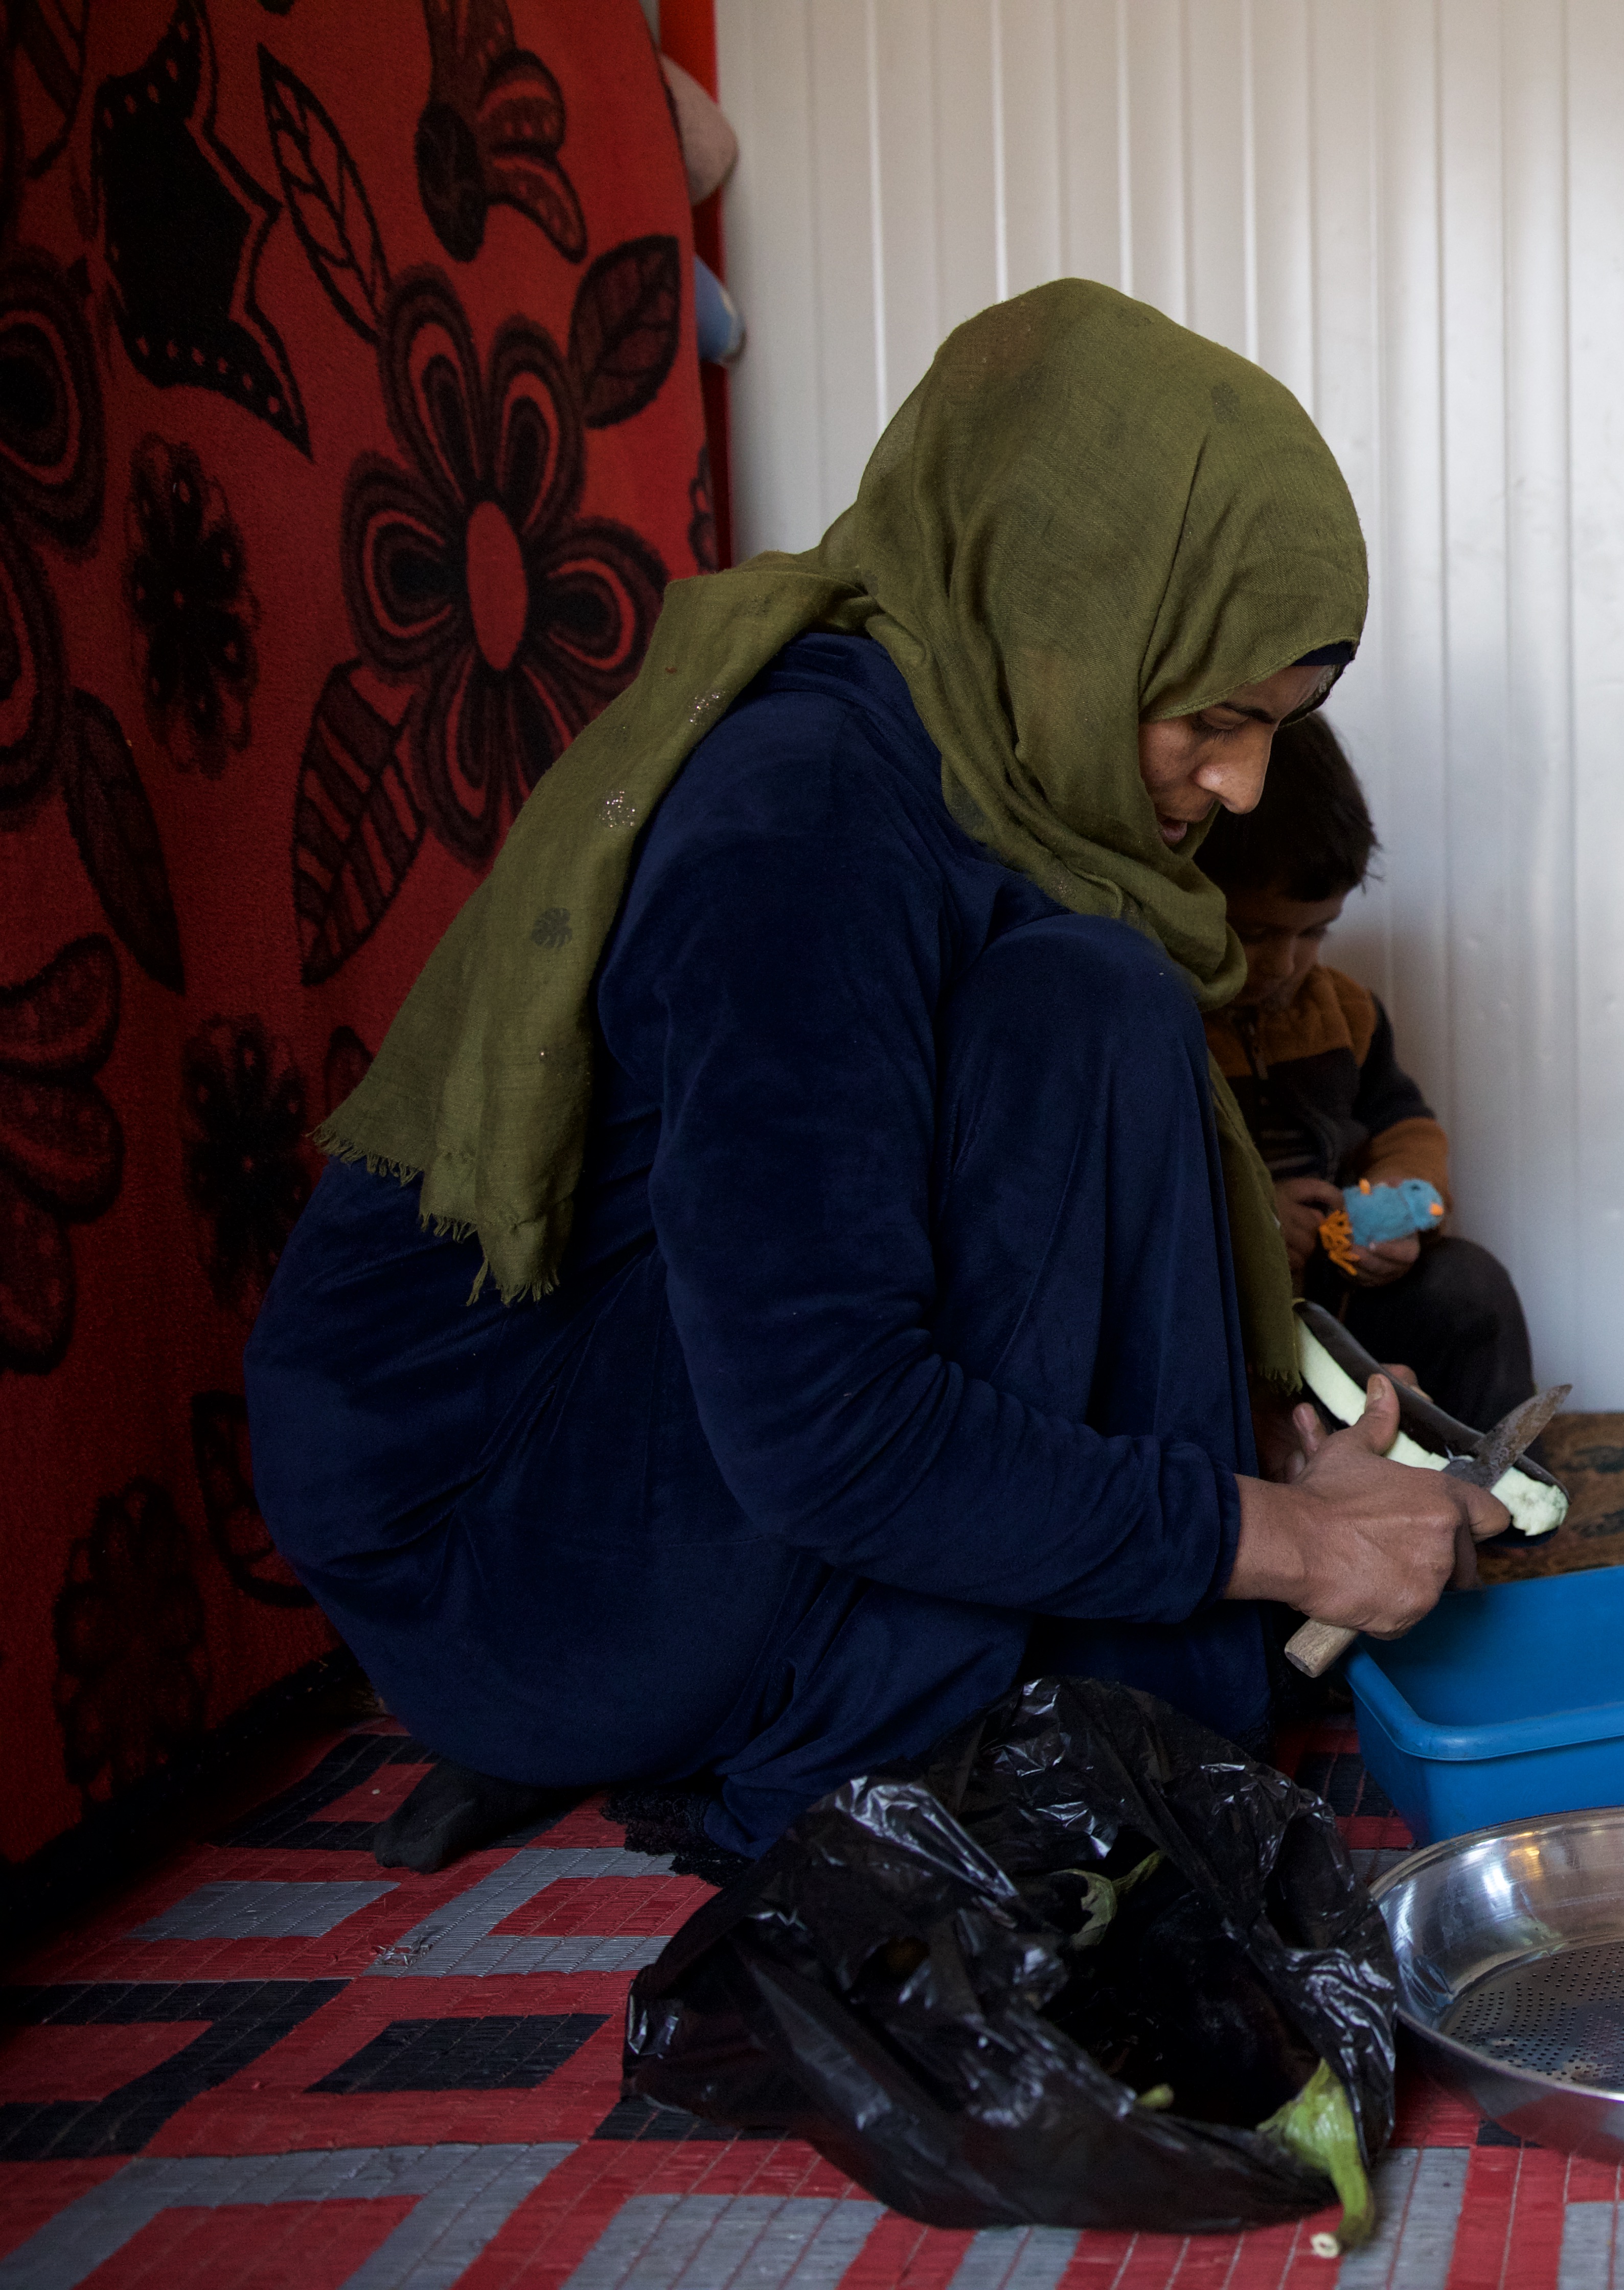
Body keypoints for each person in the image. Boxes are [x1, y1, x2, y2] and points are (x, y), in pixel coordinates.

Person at [244, 283, 1505, 1873]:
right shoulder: (809, 815)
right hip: (508, 1558)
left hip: (652, 1477)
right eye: (1215, 716)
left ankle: (1058, 1703)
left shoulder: (981, 776)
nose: (1245, 785)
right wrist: (1294, 1545)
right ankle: (847, 1739)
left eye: (1281, 727)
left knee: (1087, 993)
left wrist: (1271, 1464)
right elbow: (828, 1422)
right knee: (1094, 1002)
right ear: (1070, 614)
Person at [1194, 716, 1540, 1431]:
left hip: (1343, 1295)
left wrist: (1398, 1209)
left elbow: (1404, 1125)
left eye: (1315, 932)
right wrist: (1251, 1226)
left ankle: (1503, 1484)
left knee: (1472, 1289)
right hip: (1227, 1308)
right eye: (1254, 934)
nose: (1286, 965)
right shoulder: (1165, 1021)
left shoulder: (1344, 1013)